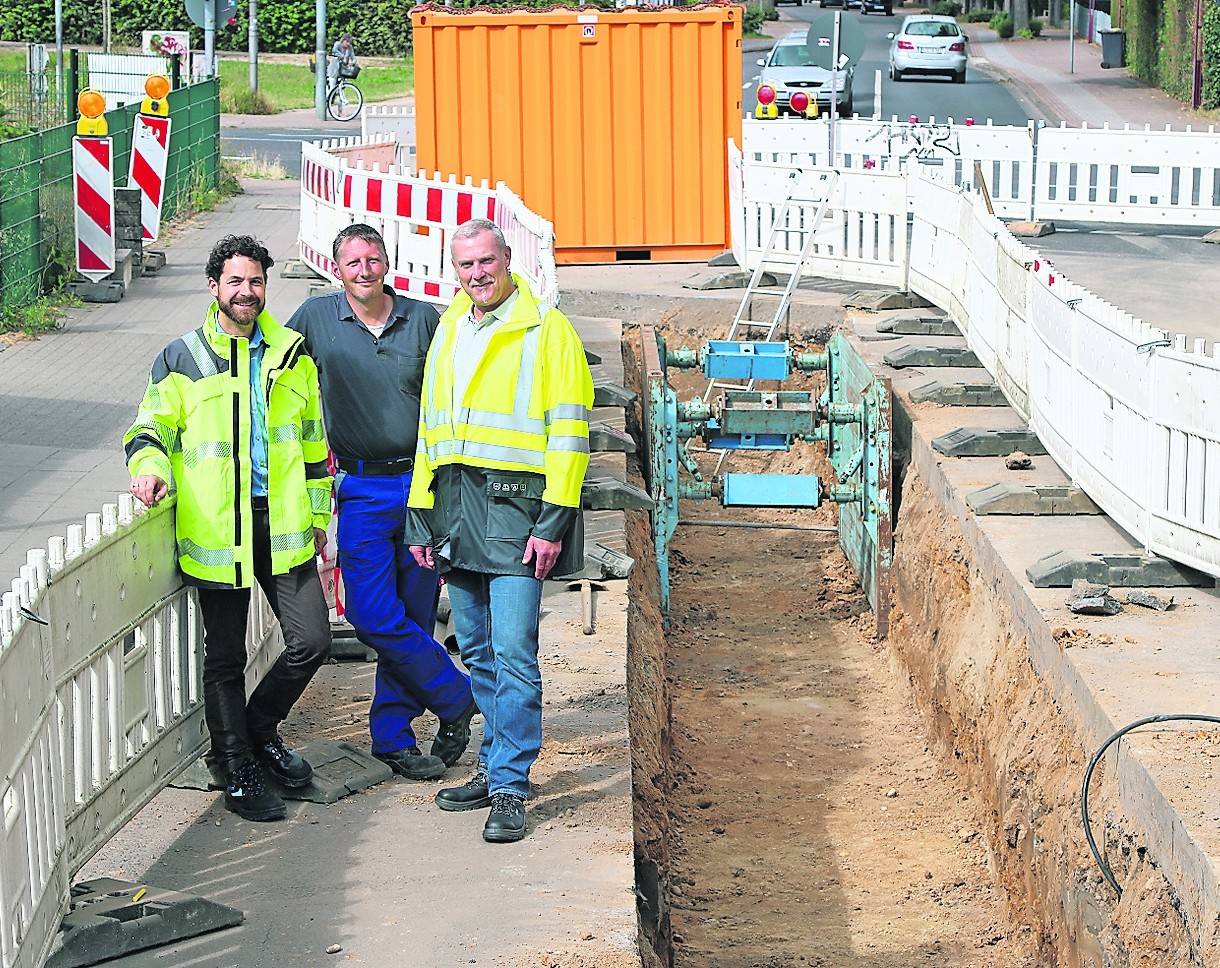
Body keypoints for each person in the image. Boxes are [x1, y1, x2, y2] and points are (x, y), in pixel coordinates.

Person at [124, 235, 332, 822]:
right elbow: (147, 431)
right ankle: (236, 765)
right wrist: (149, 470)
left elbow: (314, 444)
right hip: (220, 530)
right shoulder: (181, 357)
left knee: (311, 641)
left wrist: (319, 518)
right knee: (224, 658)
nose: (247, 292)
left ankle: (258, 731)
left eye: (256, 281)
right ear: (214, 287)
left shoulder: (293, 353)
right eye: (235, 282)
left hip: (284, 523)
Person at [407, 218, 594, 843]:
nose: (477, 274)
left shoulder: (547, 329)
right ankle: (493, 769)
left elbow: (570, 433)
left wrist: (554, 521)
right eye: (466, 265)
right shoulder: (450, 324)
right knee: (479, 651)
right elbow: (431, 430)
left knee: (514, 655)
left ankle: (512, 785)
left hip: (519, 514)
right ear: (453, 270)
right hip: (457, 509)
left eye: (486, 261)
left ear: (508, 260)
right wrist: (419, 511)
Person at [286, 224, 477, 781]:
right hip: (362, 487)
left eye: (373, 259)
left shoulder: (424, 320)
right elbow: (265, 360)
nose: (364, 270)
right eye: (353, 262)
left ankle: (392, 737)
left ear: (387, 263)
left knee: (415, 612)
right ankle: (457, 696)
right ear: (336, 269)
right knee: (371, 613)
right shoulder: (316, 320)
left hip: (423, 487)